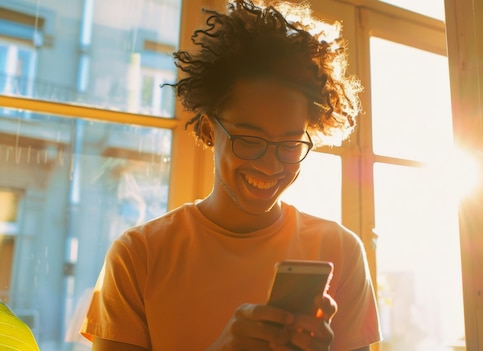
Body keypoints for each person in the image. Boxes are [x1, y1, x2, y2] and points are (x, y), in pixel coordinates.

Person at [80, 0, 381, 350]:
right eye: (249, 140)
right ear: (209, 130)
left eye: (289, 143)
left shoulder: (340, 251)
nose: (270, 165)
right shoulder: (138, 257)